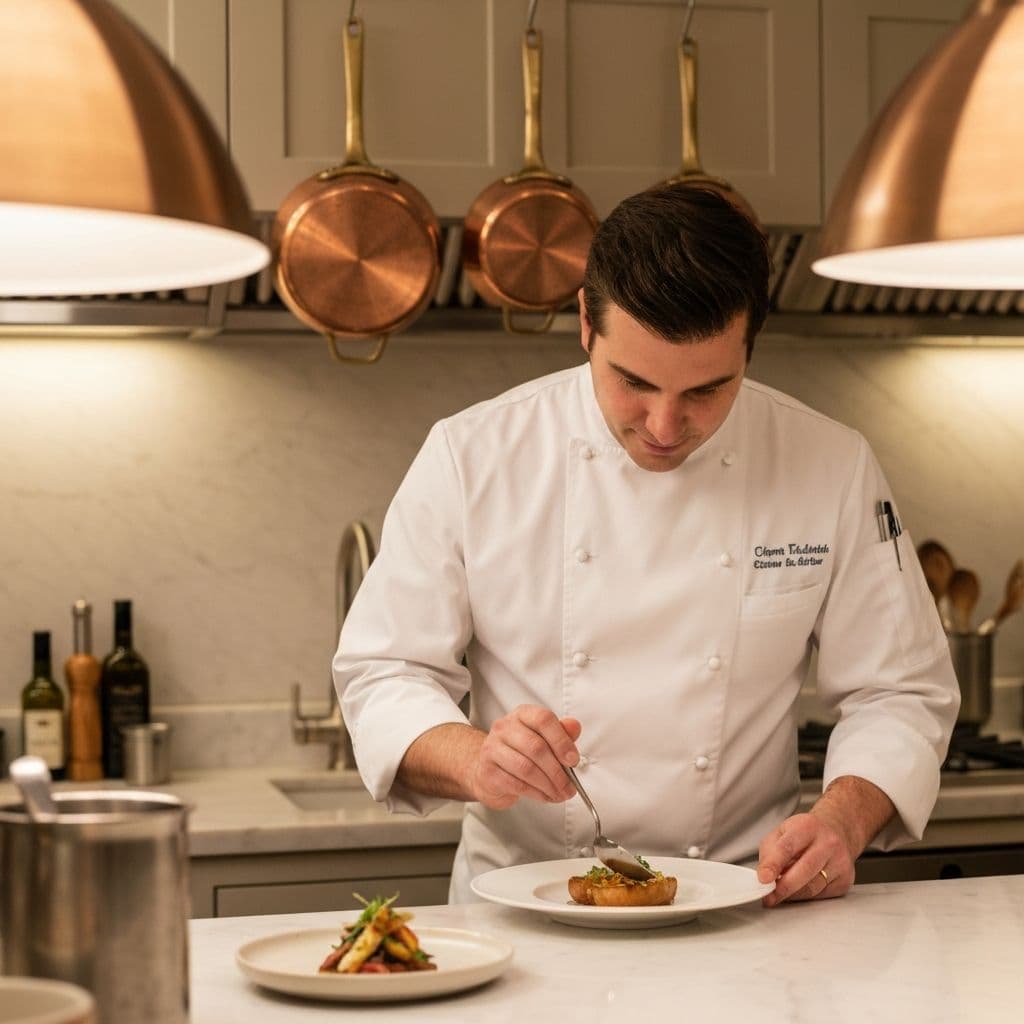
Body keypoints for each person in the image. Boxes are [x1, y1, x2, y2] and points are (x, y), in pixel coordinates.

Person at [333, 183, 960, 907]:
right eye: (633, 382)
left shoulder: (830, 463)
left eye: (708, 391)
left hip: (745, 903)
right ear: (584, 325)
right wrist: (477, 760)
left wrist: (840, 824)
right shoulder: (473, 455)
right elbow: (384, 672)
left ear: (749, 348)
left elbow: (901, 691)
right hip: (522, 910)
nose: (665, 424)